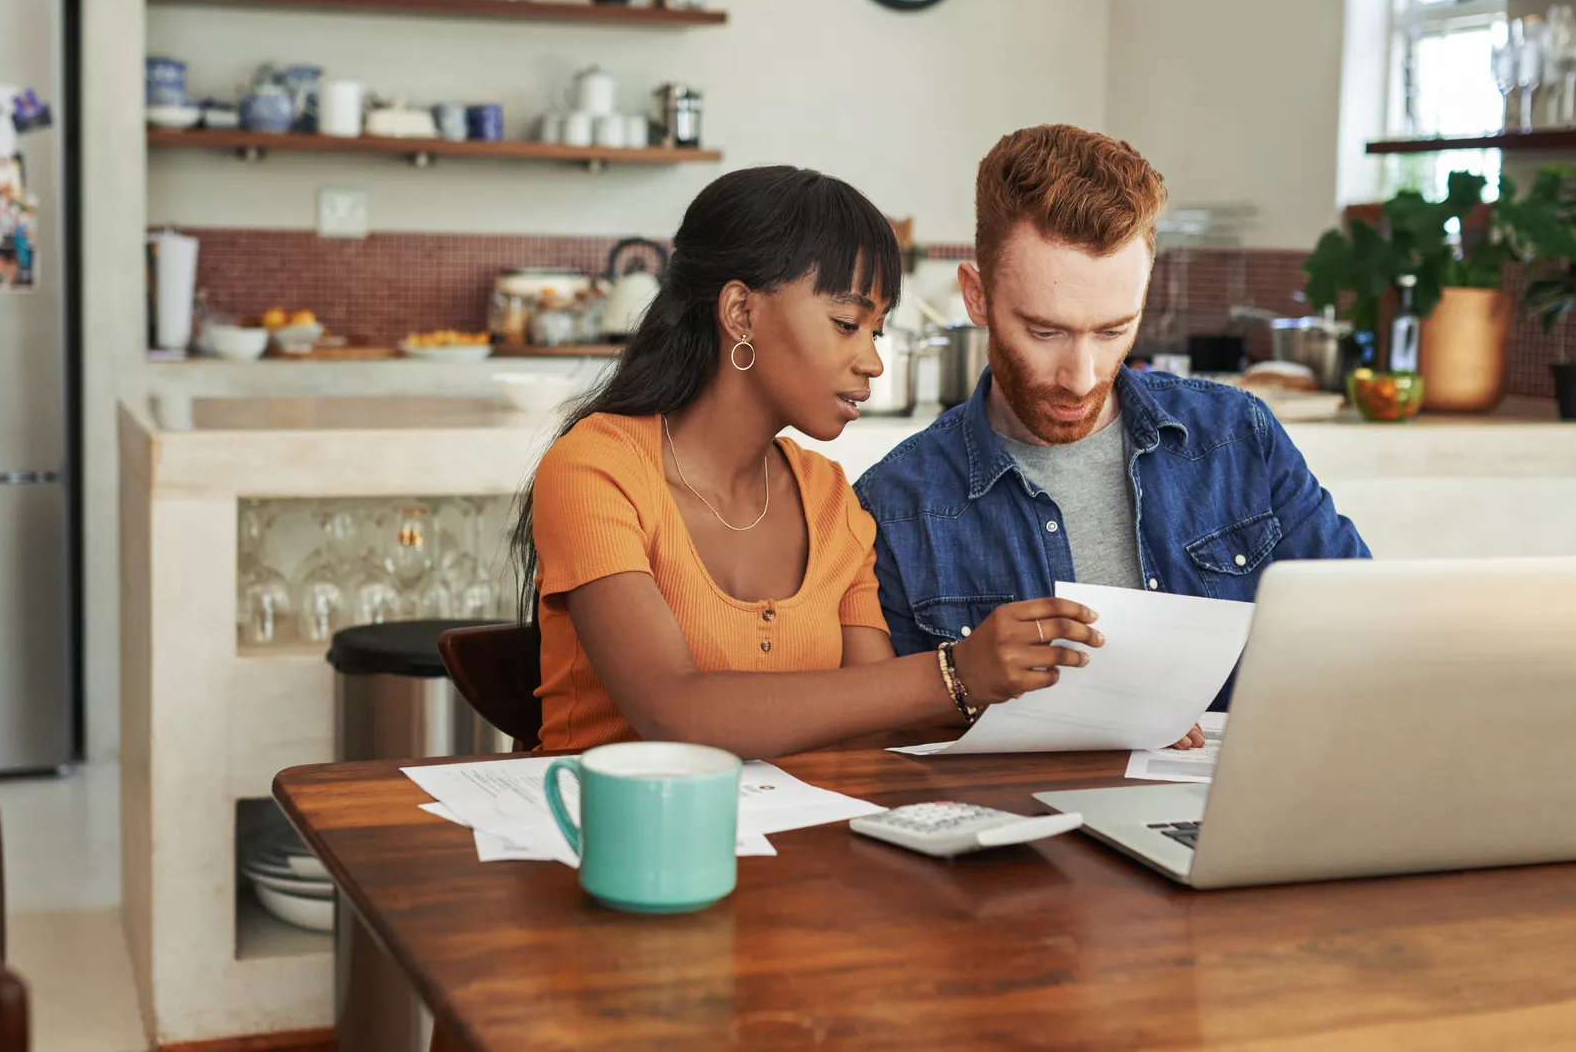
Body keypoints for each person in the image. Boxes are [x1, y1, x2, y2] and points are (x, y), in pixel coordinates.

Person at [513, 165, 1108, 759]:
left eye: (875, 332)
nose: (872, 362)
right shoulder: (597, 468)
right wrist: (956, 672)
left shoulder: (829, 497)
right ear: (741, 313)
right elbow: (673, 713)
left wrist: (1095, 717)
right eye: (847, 324)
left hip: (799, 843)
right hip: (603, 838)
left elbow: (878, 723)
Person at [853, 124, 1369, 728]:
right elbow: (894, 755)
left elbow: (1360, 633)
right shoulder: (893, 506)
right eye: (1045, 332)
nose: (1081, 375)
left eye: (1112, 330)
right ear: (976, 297)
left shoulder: (1238, 438)